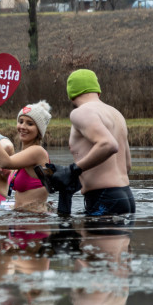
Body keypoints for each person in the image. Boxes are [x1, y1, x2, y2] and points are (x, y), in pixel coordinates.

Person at [47, 69, 134, 216]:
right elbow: (127, 166)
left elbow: (108, 144)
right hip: (125, 195)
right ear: (97, 91)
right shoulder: (116, 114)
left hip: (103, 197)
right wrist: (76, 179)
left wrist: (73, 170)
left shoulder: (81, 112)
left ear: (71, 95)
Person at [0, 101, 52, 212]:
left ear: (39, 130)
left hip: (34, 223)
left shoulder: (38, 152)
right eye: (20, 121)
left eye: (30, 124)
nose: (22, 126)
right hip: (21, 219)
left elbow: (5, 162)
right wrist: (7, 172)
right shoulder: (23, 156)